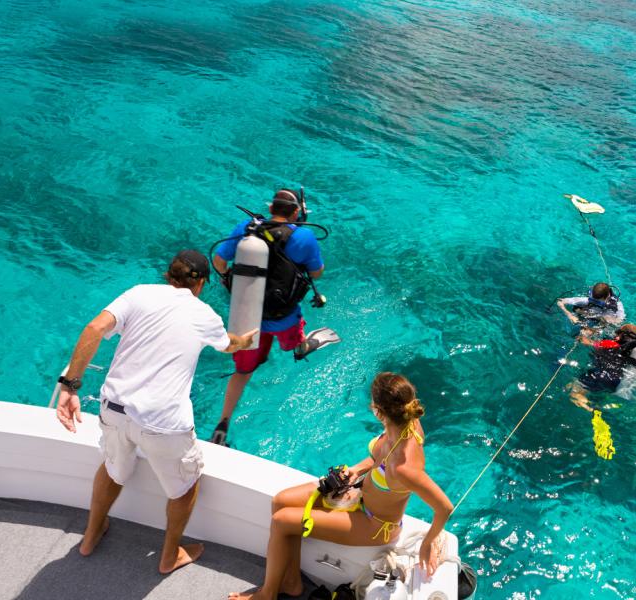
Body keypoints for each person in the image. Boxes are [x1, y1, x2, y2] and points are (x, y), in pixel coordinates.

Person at [54, 250, 257, 573]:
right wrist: (244, 342)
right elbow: (228, 344)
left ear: (168, 275)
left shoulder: (138, 293)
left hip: (115, 410)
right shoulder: (205, 315)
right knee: (185, 487)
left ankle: (90, 536)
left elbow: (94, 330)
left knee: (112, 467)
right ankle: (168, 555)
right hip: (164, 422)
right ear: (202, 283)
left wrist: (70, 385)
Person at [229, 372, 453, 600]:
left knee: (281, 521)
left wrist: (427, 543)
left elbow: (444, 507)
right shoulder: (406, 420)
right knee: (280, 501)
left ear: (378, 411)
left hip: (373, 523)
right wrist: (357, 469)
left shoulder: (405, 468)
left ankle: (267, 595)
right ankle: (291, 582)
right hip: (358, 494)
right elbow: (380, 460)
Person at [210, 189, 332, 446]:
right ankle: (300, 347)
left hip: (247, 317)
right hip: (284, 316)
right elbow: (317, 273)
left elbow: (219, 259)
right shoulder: (304, 237)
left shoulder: (247, 228)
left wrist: (226, 278)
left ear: (271, 209)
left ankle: (223, 423)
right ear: (296, 213)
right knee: (294, 341)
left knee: (243, 371)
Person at [570, 323, 636, 407]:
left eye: (617, 333)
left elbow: (587, 343)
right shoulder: (633, 350)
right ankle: (597, 409)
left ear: (620, 335)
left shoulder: (610, 343)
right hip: (619, 382)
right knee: (601, 397)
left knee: (574, 390)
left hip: (603, 376)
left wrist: (581, 336)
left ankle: (588, 408)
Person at [557, 282, 625, 332]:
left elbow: (619, 322)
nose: (594, 302)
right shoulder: (586, 300)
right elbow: (560, 301)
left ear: (607, 297)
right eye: (592, 300)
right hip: (590, 316)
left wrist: (599, 318)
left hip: (602, 319)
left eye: (598, 302)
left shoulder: (617, 306)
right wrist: (569, 315)